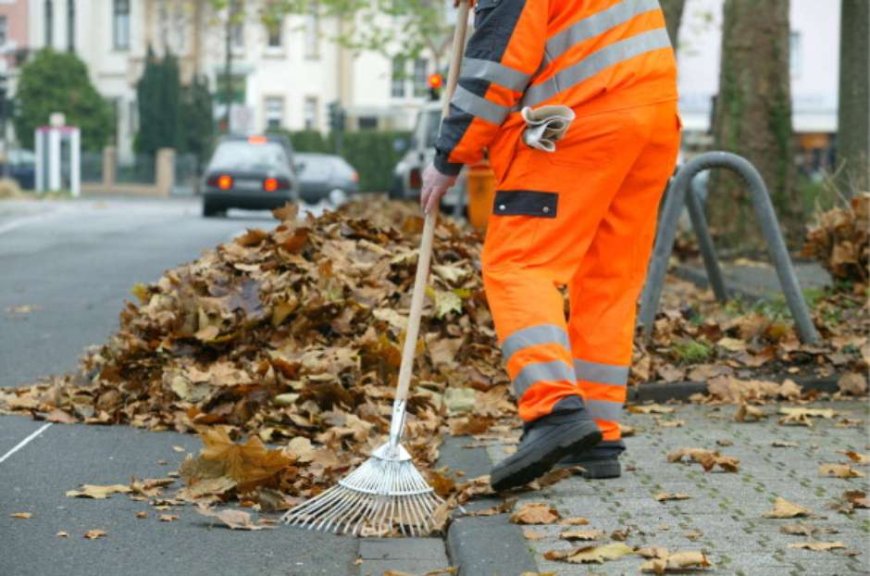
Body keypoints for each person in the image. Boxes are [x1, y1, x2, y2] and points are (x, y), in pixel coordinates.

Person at [421, 0, 682, 491]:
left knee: (519, 264)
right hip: (651, 118)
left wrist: (448, 154)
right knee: (608, 279)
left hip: (579, 125)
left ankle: (553, 410)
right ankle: (598, 437)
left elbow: (499, 63)